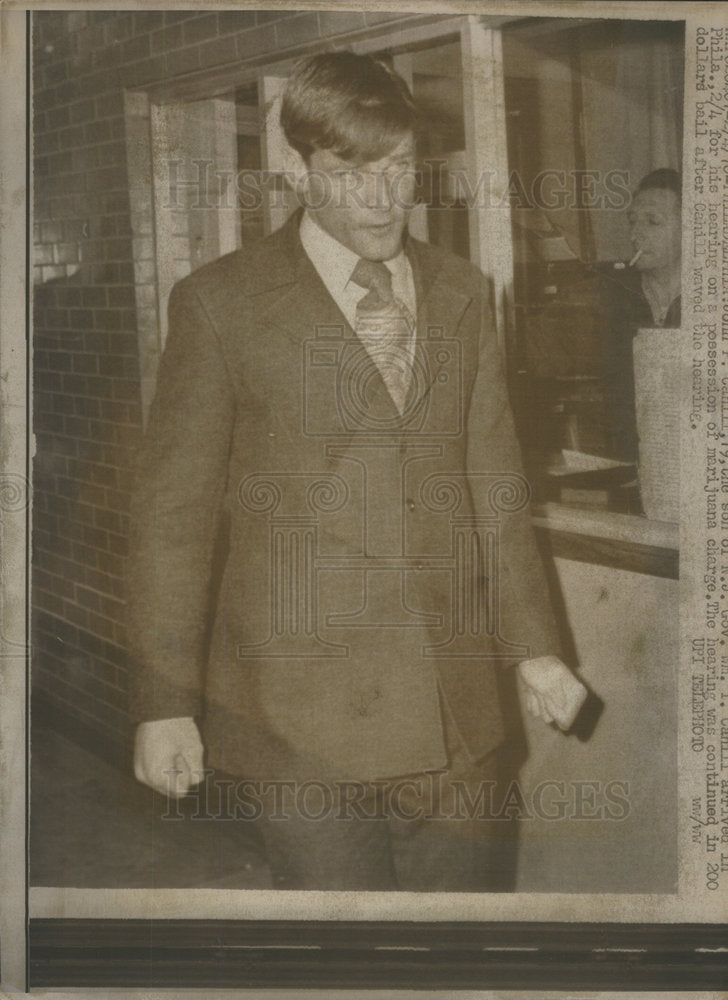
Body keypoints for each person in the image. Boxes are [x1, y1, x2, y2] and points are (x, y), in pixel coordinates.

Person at [128, 51, 586, 892]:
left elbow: (495, 486)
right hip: (297, 718)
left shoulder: (461, 292)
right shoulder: (221, 304)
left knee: (453, 955)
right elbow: (173, 518)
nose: (383, 198)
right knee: (348, 958)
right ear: (300, 170)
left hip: (457, 711)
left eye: (400, 168)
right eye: (351, 172)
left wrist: (536, 650)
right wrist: (165, 702)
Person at [527, 168, 682, 465]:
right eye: (632, 221)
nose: (636, 233)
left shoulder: (717, 298)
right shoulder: (608, 293)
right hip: (624, 462)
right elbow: (540, 351)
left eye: (653, 221)